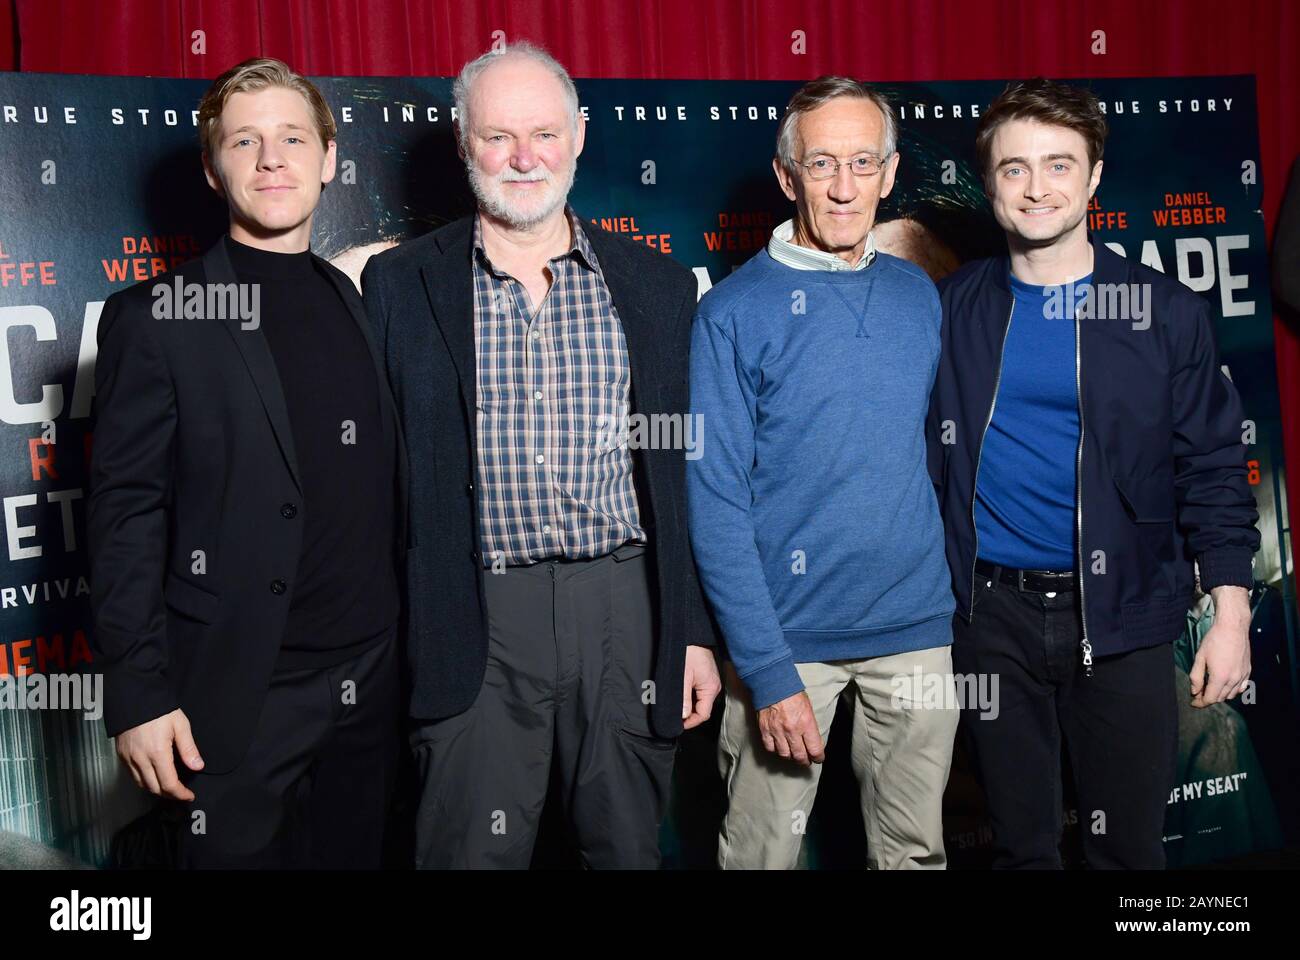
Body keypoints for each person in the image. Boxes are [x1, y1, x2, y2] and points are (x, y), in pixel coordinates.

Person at [360, 42, 720, 869]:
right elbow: (376, 481)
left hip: (625, 606)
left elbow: (686, 477)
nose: (523, 157)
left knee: (625, 847)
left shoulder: (659, 287)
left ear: (581, 136)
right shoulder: (401, 283)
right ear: (462, 144)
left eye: (544, 134)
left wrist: (692, 634)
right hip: (469, 609)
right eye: (497, 137)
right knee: (467, 854)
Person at [928, 78, 1259, 869]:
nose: (1037, 188)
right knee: (1021, 849)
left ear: (1095, 175)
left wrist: (1233, 615)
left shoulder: (1163, 312)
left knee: (1130, 854)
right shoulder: (947, 308)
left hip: (1126, 619)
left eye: (1058, 165)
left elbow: (1212, 466)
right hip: (987, 619)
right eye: (1014, 169)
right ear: (988, 181)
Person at [88, 58, 406, 868]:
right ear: (211, 165)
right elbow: (123, 513)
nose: (273, 159)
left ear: (330, 159)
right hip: (234, 697)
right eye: (246, 141)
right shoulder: (158, 317)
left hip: (369, 684)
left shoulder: (360, 300)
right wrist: (138, 695)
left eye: (294, 137)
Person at [688, 76, 959, 870]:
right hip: (786, 642)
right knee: (763, 856)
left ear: (891, 170)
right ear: (786, 177)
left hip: (915, 634)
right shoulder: (733, 314)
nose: (845, 188)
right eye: (822, 165)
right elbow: (714, 500)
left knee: (915, 855)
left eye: (863, 163)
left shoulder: (918, 295)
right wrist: (767, 671)